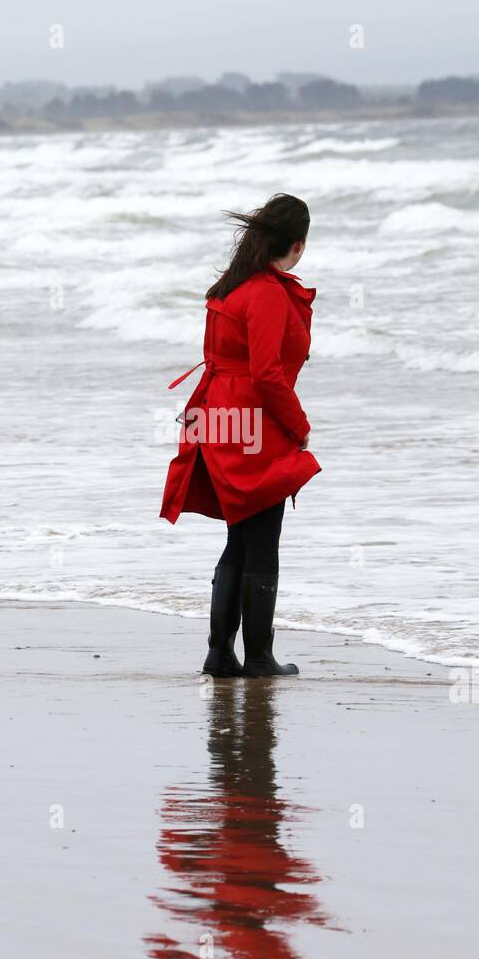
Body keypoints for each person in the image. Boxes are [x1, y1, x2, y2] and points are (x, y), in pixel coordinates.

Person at [160, 193, 320, 677]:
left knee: (240, 537)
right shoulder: (268, 292)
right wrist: (299, 426)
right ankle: (260, 657)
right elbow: (268, 373)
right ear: (298, 244)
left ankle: (219, 653)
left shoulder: (230, 286)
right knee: (262, 539)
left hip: (220, 414)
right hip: (253, 416)